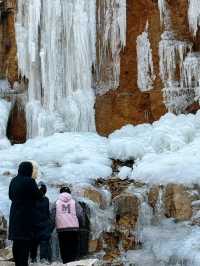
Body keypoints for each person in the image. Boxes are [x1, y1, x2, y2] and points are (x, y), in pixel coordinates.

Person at [9, 161, 42, 266]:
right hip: (25, 217)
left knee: (17, 243)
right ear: (29, 170)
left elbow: (10, 196)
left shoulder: (13, 180)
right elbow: (38, 196)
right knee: (24, 245)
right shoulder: (30, 181)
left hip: (14, 215)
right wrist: (43, 190)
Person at [55, 186, 82, 264]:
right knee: (73, 247)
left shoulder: (56, 202)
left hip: (61, 229)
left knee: (64, 248)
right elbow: (80, 214)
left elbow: (52, 214)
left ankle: (65, 263)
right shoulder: (74, 202)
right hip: (74, 228)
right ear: (70, 193)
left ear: (60, 193)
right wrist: (80, 223)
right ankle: (72, 263)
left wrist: (52, 226)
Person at [30, 181, 52, 264]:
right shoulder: (46, 200)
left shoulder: (32, 200)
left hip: (34, 225)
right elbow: (47, 213)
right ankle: (43, 259)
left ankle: (33, 259)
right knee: (44, 242)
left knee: (33, 243)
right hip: (44, 225)